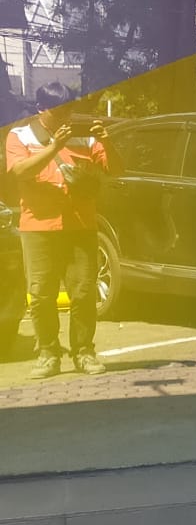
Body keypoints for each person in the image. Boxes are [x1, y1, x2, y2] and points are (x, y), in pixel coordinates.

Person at [4, 82, 108, 378]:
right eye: (58, 111)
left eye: (68, 110)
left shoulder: (83, 136)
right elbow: (20, 171)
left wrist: (107, 141)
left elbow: (115, 168)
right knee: (40, 295)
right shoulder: (19, 135)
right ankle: (48, 354)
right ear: (41, 109)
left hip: (80, 226)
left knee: (83, 292)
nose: (65, 116)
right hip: (38, 227)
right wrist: (54, 148)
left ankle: (84, 352)